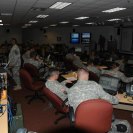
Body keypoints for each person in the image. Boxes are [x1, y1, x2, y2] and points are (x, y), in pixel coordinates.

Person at [68, 67, 132, 133]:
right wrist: (116, 97)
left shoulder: (70, 90)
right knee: (126, 123)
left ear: (77, 75)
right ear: (87, 75)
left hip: (80, 124)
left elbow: (71, 106)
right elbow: (112, 100)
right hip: (98, 122)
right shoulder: (94, 85)